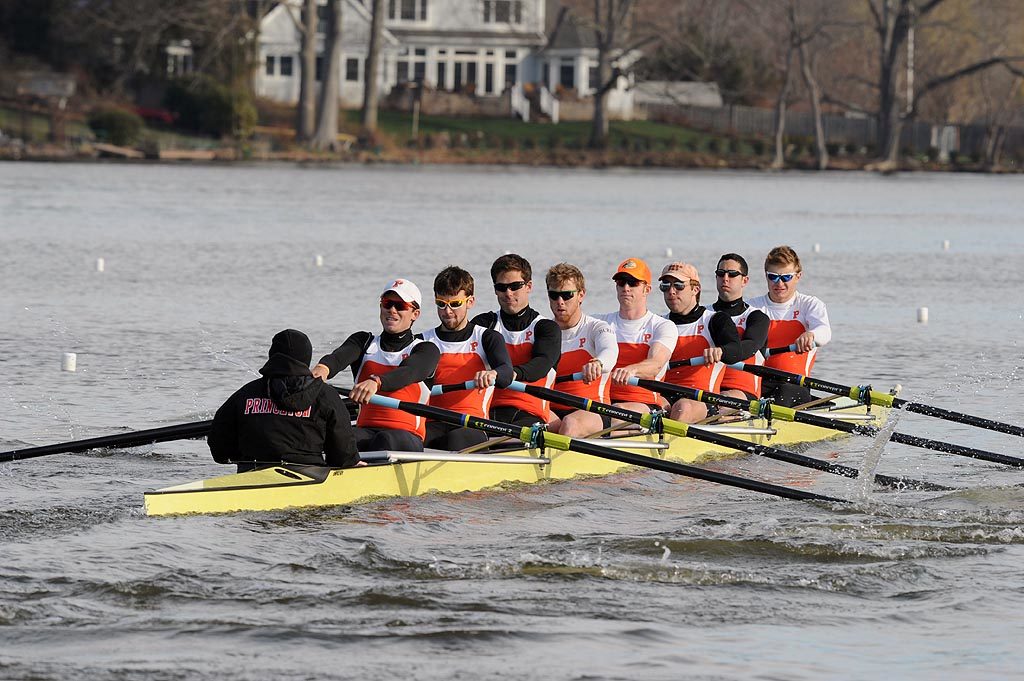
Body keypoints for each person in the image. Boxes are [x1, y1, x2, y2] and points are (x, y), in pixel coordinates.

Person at [312, 278, 440, 452]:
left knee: (384, 440)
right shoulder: (363, 342)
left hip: (407, 435)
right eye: (387, 304)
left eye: (400, 306)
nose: (392, 310)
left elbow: (408, 372)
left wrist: (377, 381)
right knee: (334, 438)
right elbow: (337, 359)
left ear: (415, 314)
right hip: (366, 430)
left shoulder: (426, 350)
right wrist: (322, 369)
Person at [208, 328, 360, 472]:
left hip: (252, 473)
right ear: (306, 358)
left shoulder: (245, 394)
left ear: (272, 355)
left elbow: (219, 446)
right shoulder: (326, 395)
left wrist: (242, 458)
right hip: (310, 477)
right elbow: (344, 455)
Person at [421, 265, 514, 450]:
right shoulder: (423, 341)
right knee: (410, 439)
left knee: (455, 440)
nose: (447, 311)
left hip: (472, 424)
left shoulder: (487, 338)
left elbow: (507, 373)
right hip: (433, 421)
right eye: (441, 303)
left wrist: (493, 374)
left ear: (470, 301)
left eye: (455, 304)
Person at [471, 254, 561, 427]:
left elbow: (541, 365)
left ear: (529, 286)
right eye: (502, 287)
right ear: (495, 289)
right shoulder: (483, 324)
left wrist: (509, 374)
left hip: (529, 414)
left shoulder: (545, 328)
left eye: (515, 286)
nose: (508, 293)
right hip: (486, 411)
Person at [658, 262, 743, 423]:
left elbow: (736, 351)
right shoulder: (659, 323)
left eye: (678, 285)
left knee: (683, 408)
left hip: (704, 399)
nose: (671, 291)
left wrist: (721, 351)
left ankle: (668, 446)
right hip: (665, 394)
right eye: (665, 286)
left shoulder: (715, 319)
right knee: (650, 408)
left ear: (695, 289)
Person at [748, 245, 832, 406]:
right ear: (766, 276)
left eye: (786, 277)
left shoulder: (809, 305)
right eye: (773, 277)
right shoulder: (753, 307)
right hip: (758, 382)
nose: (779, 283)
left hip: (794, 385)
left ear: (798, 276)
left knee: (785, 391)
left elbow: (825, 332)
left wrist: (811, 335)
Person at [544, 262, 618, 437]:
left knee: (570, 425)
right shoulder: (543, 332)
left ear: (581, 295)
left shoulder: (597, 328)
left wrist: (598, 363)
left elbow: (610, 351)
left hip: (593, 410)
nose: (560, 302)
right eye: (554, 295)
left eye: (567, 295)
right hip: (552, 410)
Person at [597, 257, 677, 415]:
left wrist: (631, 371)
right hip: (603, 401)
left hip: (644, 403)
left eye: (633, 283)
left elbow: (656, 364)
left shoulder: (662, 325)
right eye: (621, 282)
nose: (626, 288)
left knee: (615, 412)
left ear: (647, 289)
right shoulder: (600, 322)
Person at [711, 253, 770, 400]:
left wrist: (721, 352)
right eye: (720, 273)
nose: (725, 278)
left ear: (745, 280)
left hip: (741, 391)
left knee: (723, 400)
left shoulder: (757, 318)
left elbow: (749, 346)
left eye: (732, 274)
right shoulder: (705, 314)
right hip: (707, 388)